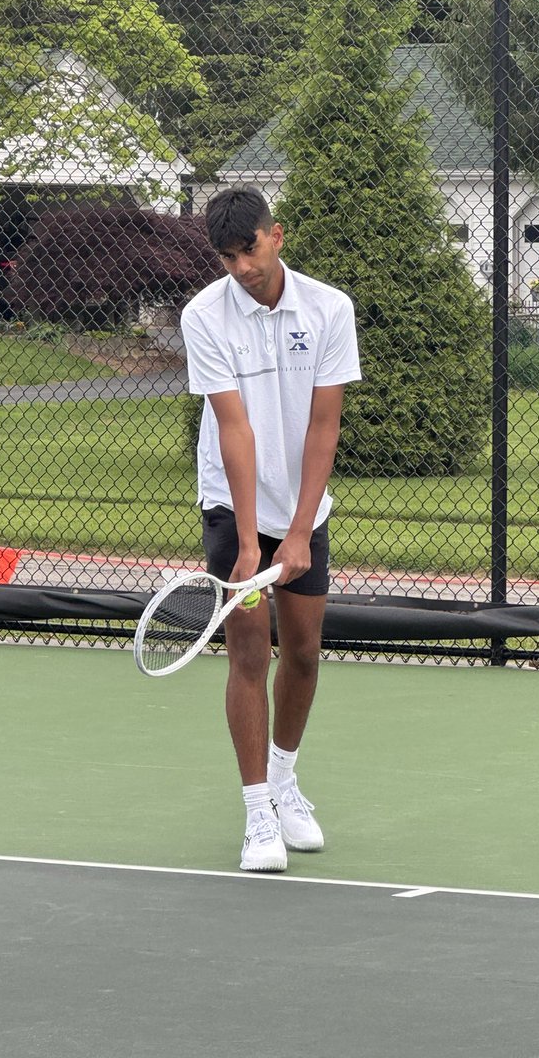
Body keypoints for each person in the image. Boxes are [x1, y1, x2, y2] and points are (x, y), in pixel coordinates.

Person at [180, 185, 361, 872]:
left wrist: (299, 530)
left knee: (306, 653)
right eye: (226, 257)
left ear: (275, 235)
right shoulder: (206, 316)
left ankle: (285, 783)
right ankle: (258, 811)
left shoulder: (329, 309)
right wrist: (254, 540)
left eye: (247, 250)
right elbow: (235, 428)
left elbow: (324, 425)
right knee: (251, 653)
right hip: (233, 506)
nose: (240, 268)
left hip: (302, 509)